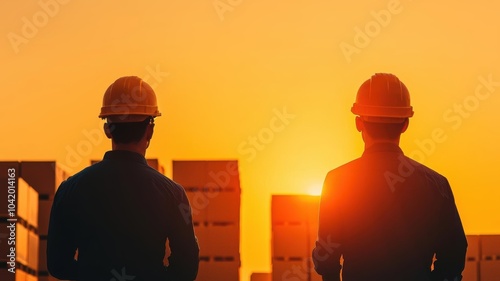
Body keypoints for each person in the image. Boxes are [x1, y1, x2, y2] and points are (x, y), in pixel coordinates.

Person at [312, 73, 467, 281]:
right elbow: (454, 255)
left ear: (359, 124)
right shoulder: (435, 184)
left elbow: (326, 259)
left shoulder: (338, 182)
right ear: (405, 124)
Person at [47, 76, 199, 281]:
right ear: (150, 130)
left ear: (107, 129)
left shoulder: (71, 189)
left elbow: (57, 265)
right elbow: (186, 269)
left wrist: (91, 274)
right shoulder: (172, 194)